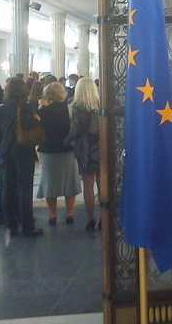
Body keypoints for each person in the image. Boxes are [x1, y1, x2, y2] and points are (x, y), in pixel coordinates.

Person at [0, 78, 43, 237]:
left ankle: (11, 223)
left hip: (6, 151)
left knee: (8, 187)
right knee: (24, 188)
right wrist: (36, 118)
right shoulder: (25, 108)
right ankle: (27, 225)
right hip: (23, 151)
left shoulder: (1, 109)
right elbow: (32, 125)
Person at [37, 82, 81, 225]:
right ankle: (70, 213)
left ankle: (53, 214)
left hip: (48, 150)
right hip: (67, 150)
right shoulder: (68, 110)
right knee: (69, 183)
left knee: (50, 183)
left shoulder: (42, 111)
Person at [63, 78, 100, 231]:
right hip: (101, 147)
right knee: (103, 185)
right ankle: (104, 218)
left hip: (85, 150)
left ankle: (91, 219)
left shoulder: (77, 107)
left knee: (88, 185)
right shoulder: (100, 104)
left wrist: (66, 142)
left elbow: (75, 131)